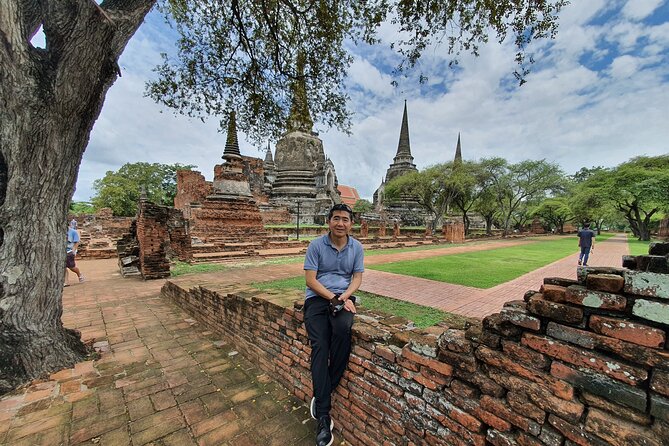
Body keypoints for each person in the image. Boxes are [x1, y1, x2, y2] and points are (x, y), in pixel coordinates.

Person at [303, 203, 364, 446]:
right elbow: (310, 279)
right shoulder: (316, 245)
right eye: (336, 218)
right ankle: (324, 416)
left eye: (345, 219)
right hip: (318, 298)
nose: (340, 223)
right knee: (320, 346)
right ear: (329, 221)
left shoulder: (356, 247)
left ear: (351, 223)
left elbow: (357, 277)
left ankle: (322, 391)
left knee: (342, 333)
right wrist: (334, 298)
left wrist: (346, 297)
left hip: (344, 297)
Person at [65, 220, 85, 285]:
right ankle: (66, 282)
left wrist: (73, 251)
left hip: (69, 251)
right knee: (63, 267)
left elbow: (77, 242)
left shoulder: (73, 232)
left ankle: (79, 274)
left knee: (71, 267)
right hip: (62, 252)